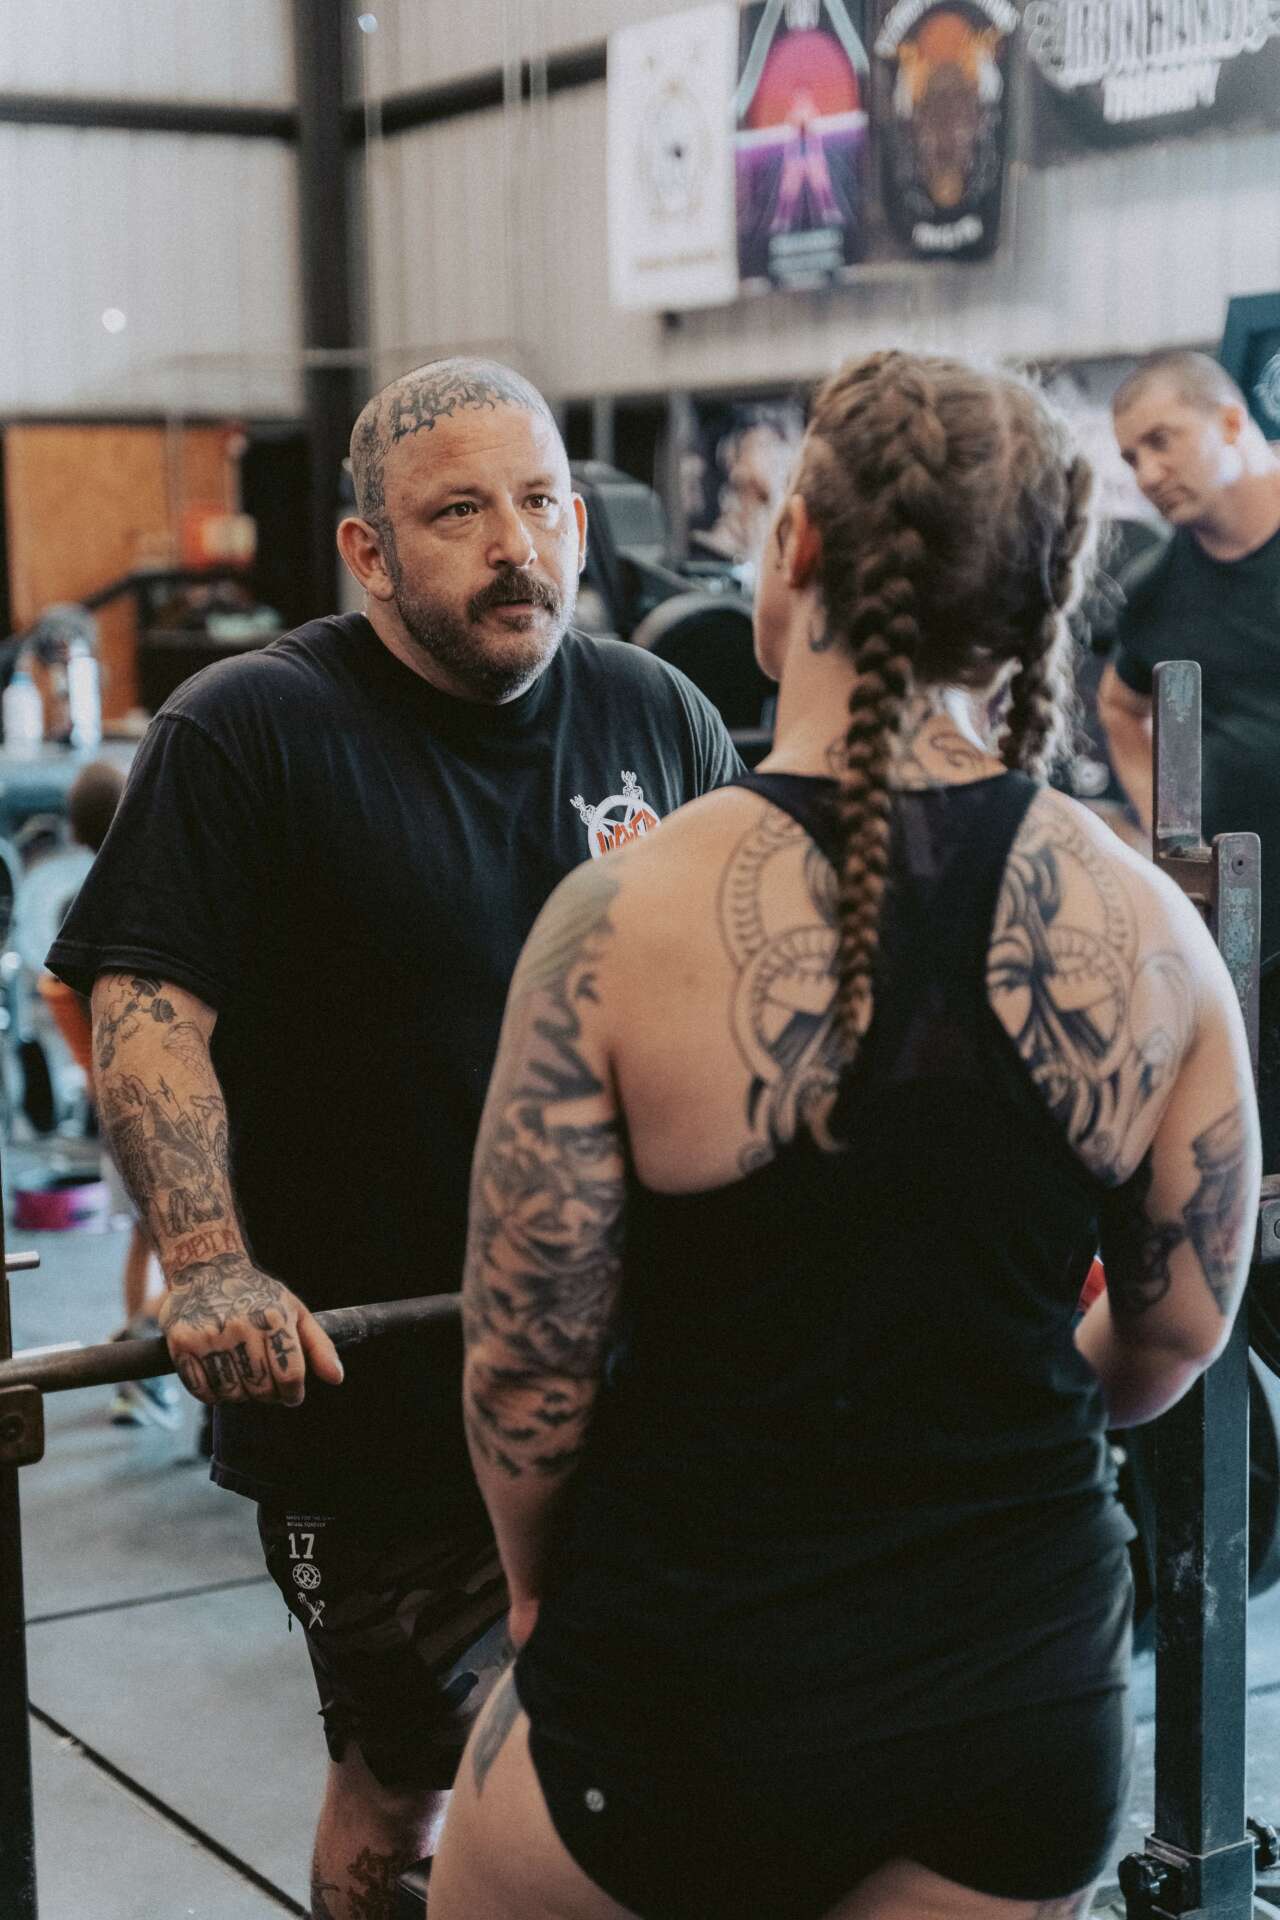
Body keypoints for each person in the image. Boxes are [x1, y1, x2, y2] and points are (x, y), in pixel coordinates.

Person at [430, 350, 1261, 1920]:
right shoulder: (1154, 930)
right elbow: (1179, 1331)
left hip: (684, 1683)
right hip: (1018, 1698)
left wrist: (537, 1595)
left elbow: (527, 1367)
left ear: (797, 542)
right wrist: (988, 1414)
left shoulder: (622, 919)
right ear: (1040, 593)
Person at [45, 357, 742, 1920]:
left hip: (630, 1371)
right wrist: (210, 1266)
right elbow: (146, 1009)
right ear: (367, 550)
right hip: (378, 1400)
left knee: (657, 1743)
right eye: (461, 513)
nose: (517, 544)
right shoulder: (251, 731)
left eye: (542, 502)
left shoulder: (658, 715)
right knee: (418, 1777)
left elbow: (758, 991)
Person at [1097, 348, 1280, 965]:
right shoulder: (1153, 591)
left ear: (1229, 423)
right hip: (1246, 919)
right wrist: (1172, 834)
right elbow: (1120, 708)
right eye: (1132, 458)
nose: (1147, 475)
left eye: (1160, 441)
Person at [34, 760, 177, 1429]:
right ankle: (143, 1355)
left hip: (112, 1101)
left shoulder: (77, 903)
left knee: (147, 1237)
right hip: (147, 1102)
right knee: (182, 1240)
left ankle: (141, 1368)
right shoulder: (140, 898)